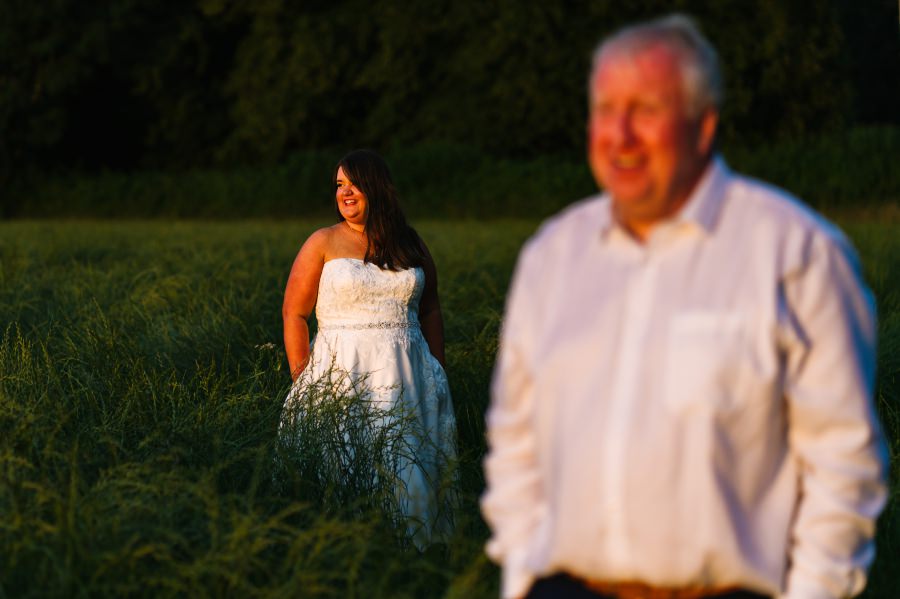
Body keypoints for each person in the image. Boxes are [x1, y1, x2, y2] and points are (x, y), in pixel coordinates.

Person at [481, 14, 888, 599]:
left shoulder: (795, 252)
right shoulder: (553, 256)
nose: (619, 134)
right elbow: (515, 439)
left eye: (645, 109)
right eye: (605, 109)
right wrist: (522, 576)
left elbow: (843, 461)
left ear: (703, 127)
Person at [281, 149, 457, 546]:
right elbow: (294, 313)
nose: (343, 192)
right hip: (342, 374)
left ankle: (413, 559)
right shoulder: (322, 242)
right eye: (338, 185)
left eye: (352, 183)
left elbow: (430, 310)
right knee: (342, 470)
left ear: (375, 186)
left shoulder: (409, 242)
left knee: (408, 470)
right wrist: (304, 381)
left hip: (408, 377)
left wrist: (437, 370)